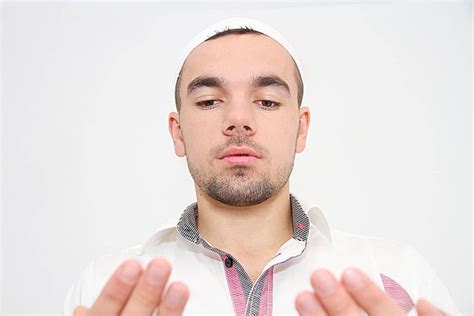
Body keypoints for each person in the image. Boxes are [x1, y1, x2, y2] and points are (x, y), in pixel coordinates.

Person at [65, 18, 457, 316]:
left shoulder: (398, 279)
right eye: (208, 102)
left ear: (301, 129)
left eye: (267, 101)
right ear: (178, 132)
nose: (238, 120)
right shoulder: (108, 290)